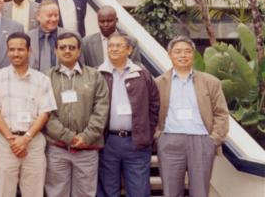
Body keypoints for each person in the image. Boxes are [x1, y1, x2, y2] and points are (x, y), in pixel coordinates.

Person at [154, 36, 229, 197]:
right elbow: (150, 113)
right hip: (169, 141)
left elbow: (221, 113)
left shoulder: (210, 82)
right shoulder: (159, 83)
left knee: (200, 192)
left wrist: (213, 139)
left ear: (193, 54)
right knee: (171, 192)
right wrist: (158, 136)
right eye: (178, 52)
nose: (183, 55)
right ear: (170, 55)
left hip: (202, 141)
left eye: (187, 51)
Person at [0, 32, 56, 197]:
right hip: (5, 143)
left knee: (34, 192)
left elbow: (45, 113)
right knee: (3, 192)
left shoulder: (42, 80)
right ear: (7, 51)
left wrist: (25, 138)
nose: (16, 53)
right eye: (12, 50)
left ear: (29, 50)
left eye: (20, 49)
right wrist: (12, 140)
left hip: (33, 143)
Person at [43, 32, 109, 197]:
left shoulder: (94, 76)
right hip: (57, 148)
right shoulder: (46, 77)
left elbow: (101, 109)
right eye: (62, 47)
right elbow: (45, 112)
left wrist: (85, 137)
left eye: (72, 47)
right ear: (55, 51)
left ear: (79, 51)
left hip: (87, 148)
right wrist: (68, 137)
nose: (67, 51)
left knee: (86, 193)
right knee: (56, 193)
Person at [97, 33, 159, 197]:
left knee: (139, 190)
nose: (114, 49)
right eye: (111, 46)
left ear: (129, 49)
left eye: (119, 45)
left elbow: (154, 105)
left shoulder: (142, 74)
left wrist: (147, 132)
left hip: (137, 142)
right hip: (108, 142)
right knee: (108, 190)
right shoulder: (98, 74)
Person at [26, 0, 69, 71]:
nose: (54, 19)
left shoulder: (70, 37)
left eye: (56, 15)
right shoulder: (27, 38)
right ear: (38, 17)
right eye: (49, 16)